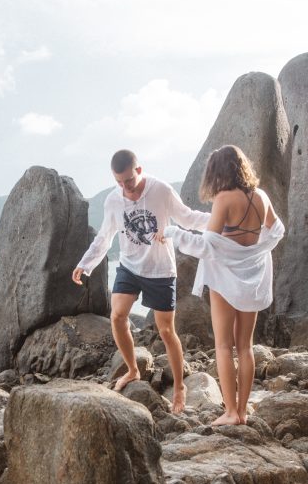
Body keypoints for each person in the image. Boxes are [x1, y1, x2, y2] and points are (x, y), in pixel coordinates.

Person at [72, 149, 210, 413]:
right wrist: (84, 264)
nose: (125, 188)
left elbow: (189, 218)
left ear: (139, 170)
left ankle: (180, 386)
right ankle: (133, 369)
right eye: (119, 183)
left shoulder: (161, 190)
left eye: (129, 181)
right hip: (129, 266)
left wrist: (220, 221)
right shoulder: (113, 200)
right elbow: (104, 237)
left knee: (166, 331)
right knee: (117, 316)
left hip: (160, 269)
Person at [160, 145, 284, 426]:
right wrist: (254, 250)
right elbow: (276, 230)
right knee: (246, 346)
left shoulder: (224, 200)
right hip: (252, 277)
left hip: (225, 280)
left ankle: (230, 412)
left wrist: (171, 232)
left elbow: (207, 246)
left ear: (217, 172)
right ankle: (242, 410)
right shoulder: (261, 197)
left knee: (223, 346)